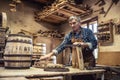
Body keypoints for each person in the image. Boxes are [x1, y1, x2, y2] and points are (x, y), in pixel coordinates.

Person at [40, 15, 97, 80]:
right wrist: (49, 54)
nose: (72, 25)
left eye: (74, 23)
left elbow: (94, 44)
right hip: (76, 61)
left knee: (88, 78)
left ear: (79, 23)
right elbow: (62, 46)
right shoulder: (69, 35)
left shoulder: (88, 32)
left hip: (88, 61)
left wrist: (83, 44)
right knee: (76, 77)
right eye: (70, 24)